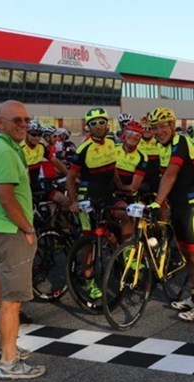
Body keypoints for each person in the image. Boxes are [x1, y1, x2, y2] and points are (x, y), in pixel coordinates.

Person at [0, 100, 45, 379]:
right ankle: (9, 362)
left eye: (26, 120)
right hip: (10, 233)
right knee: (12, 300)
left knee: (7, 297)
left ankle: (2, 348)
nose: (23, 124)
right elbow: (6, 197)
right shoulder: (5, 152)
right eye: (16, 120)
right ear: (0, 123)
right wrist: (27, 228)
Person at [148, 107, 194, 322]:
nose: (159, 131)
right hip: (178, 205)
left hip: (192, 205)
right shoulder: (163, 147)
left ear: (172, 125)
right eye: (155, 128)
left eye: (162, 126)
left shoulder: (181, 142)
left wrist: (157, 202)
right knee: (187, 254)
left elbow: (170, 175)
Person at [66, 107, 121, 300]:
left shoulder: (112, 143)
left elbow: (113, 170)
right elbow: (70, 178)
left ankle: (124, 258)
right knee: (89, 240)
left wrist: (122, 186)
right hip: (87, 198)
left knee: (124, 215)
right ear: (88, 127)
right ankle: (90, 281)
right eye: (93, 123)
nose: (98, 126)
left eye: (101, 122)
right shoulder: (84, 148)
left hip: (107, 195)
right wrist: (74, 202)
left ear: (107, 124)